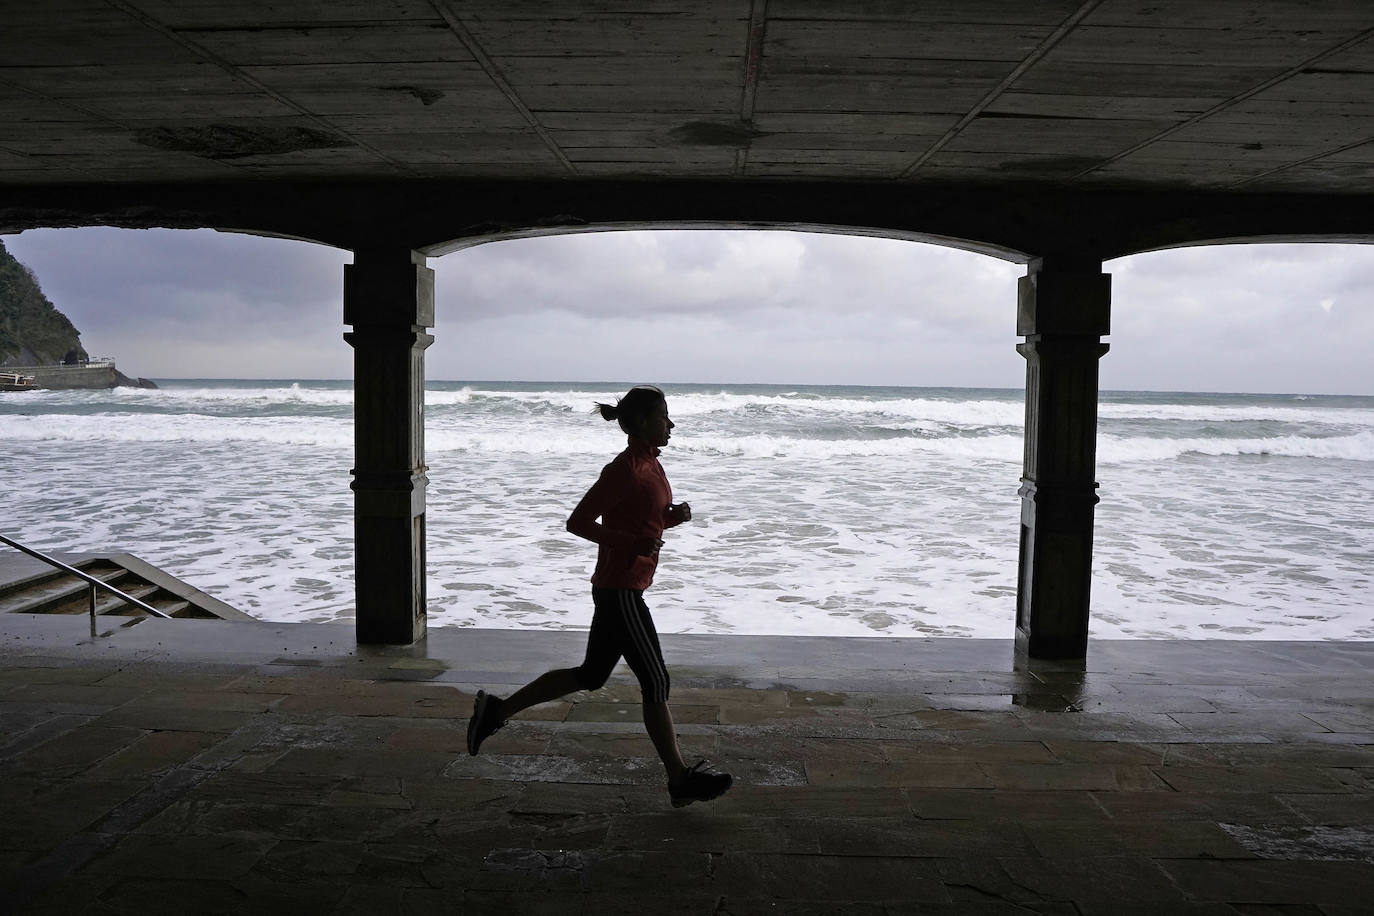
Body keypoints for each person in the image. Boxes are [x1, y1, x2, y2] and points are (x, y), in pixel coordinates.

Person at [466, 384, 732, 808]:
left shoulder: (652, 464)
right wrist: (630, 544)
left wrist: (671, 518)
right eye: (664, 416)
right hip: (620, 589)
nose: (672, 424)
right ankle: (679, 779)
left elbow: (643, 523)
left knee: (592, 675)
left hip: (624, 585)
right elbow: (579, 522)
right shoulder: (624, 469)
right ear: (643, 422)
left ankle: (496, 712)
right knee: (657, 680)